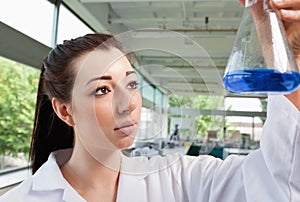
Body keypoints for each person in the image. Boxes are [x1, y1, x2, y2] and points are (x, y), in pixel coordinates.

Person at [1, 0, 299, 201]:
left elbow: (277, 182)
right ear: (65, 110)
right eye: (102, 90)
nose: (128, 103)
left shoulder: (179, 179)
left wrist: (290, 53)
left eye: (131, 84)